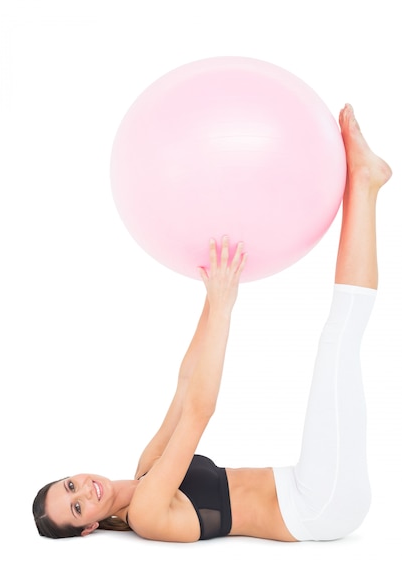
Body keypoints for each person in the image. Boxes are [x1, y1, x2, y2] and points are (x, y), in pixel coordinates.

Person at [33, 104, 392, 542]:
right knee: (339, 340)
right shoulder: (145, 514)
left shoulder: (146, 467)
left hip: (301, 481)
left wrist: (211, 296)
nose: (83, 492)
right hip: (317, 507)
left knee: (338, 340)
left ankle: (366, 182)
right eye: (76, 507)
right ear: (88, 527)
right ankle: (366, 184)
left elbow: (186, 386)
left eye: (70, 485)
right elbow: (200, 414)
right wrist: (225, 308)